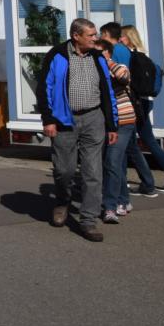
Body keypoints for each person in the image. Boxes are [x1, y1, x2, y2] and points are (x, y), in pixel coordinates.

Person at [37, 18, 119, 242]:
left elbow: (107, 91)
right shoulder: (57, 55)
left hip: (94, 118)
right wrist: (48, 119)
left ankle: (88, 221)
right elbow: (44, 88)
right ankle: (62, 201)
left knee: (93, 172)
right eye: (91, 35)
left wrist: (112, 124)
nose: (96, 38)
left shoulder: (98, 57)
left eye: (95, 34)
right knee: (64, 170)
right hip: (65, 120)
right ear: (76, 36)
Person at [119, 25, 164, 195]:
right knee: (148, 141)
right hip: (146, 101)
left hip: (137, 103)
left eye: (121, 36)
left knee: (129, 143)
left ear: (128, 37)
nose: (119, 40)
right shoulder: (143, 54)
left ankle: (134, 183)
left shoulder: (130, 56)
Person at [96, 40, 137, 224]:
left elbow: (123, 77)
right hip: (106, 123)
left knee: (112, 162)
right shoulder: (95, 71)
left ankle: (110, 207)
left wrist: (107, 61)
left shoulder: (119, 67)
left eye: (99, 52)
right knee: (115, 163)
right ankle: (124, 200)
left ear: (107, 52)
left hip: (124, 121)